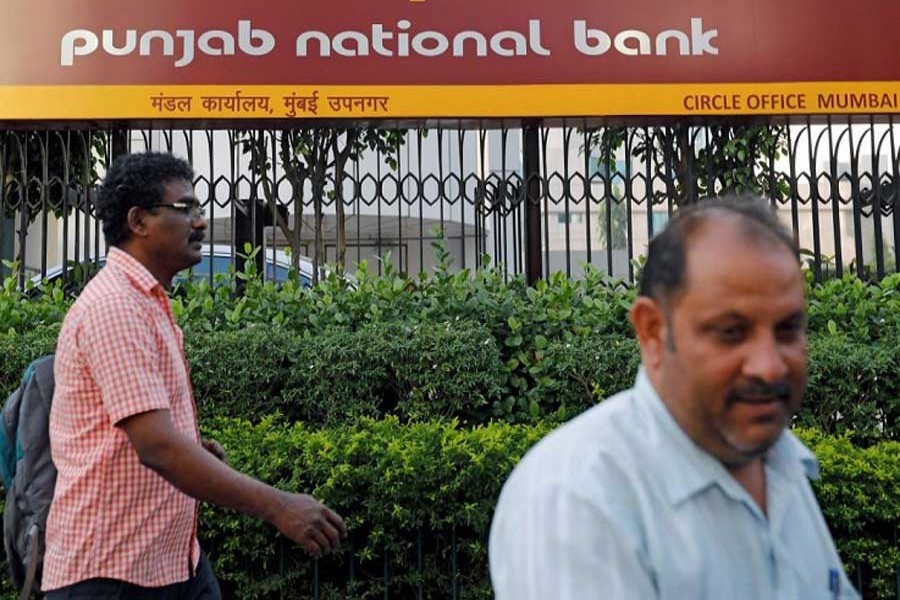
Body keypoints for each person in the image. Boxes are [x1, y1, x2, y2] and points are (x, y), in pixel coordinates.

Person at [488, 196, 859, 599]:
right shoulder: (578, 500)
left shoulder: (781, 464)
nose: (769, 367)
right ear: (651, 331)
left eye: (787, 330)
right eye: (731, 332)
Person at [43, 152, 347, 599]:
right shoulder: (115, 307)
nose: (200, 222)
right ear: (139, 221)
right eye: (185, 209)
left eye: (199, 208)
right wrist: (280, 507)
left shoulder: (148, 301)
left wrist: (190, 445)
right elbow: (157, 447)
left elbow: (149, 434)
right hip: (111, 575)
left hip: (171, 564)